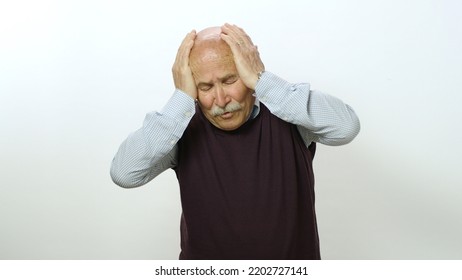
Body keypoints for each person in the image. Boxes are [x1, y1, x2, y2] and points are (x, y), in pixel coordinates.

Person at [110, 23, 360, 260]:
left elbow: (346, 127)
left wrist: (263, 80)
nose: (220, 99)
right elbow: (124, 173)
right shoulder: (179, 129)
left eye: (230, 80)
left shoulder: (289, 111)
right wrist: (181, 99)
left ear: (248, 72)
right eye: (205, 87)